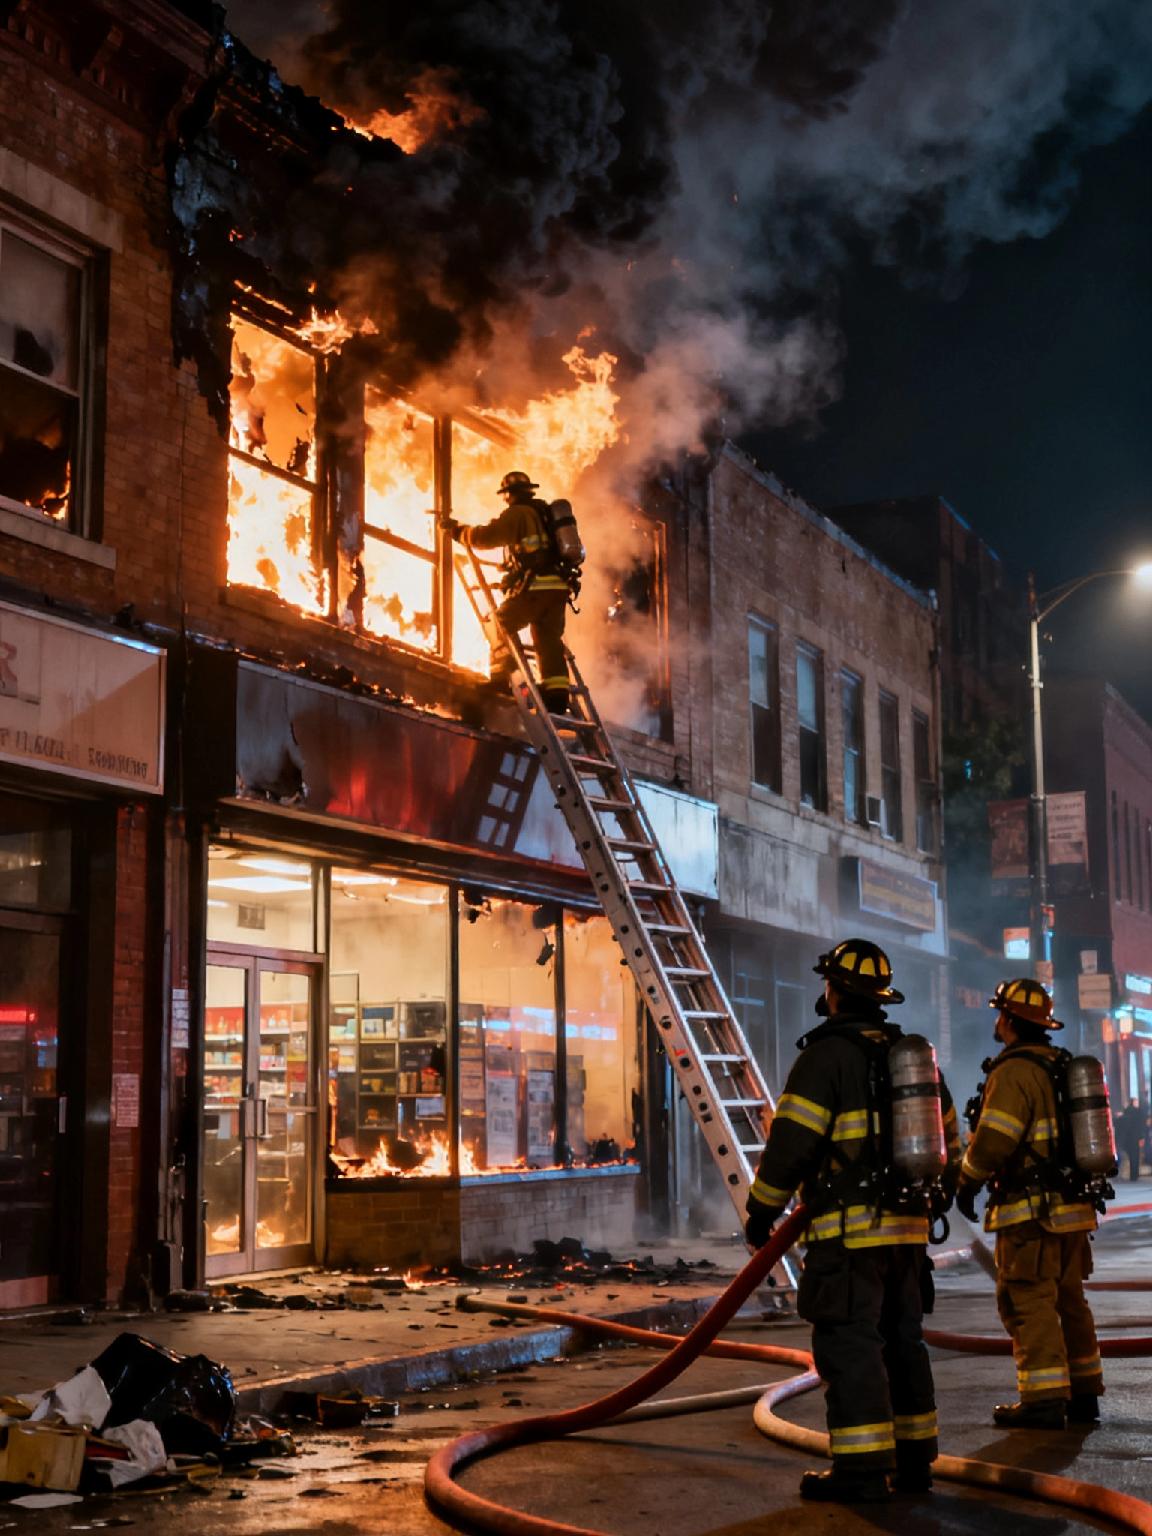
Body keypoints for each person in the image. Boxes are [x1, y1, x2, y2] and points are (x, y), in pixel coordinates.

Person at [745, 939, 961, 1504]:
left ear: (834, 990)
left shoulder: (824, 1057)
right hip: (908, 1233)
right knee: (902, 1341)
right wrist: (936, 1201)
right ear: (881, 998)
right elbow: (950, 1140)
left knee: (851, 1346)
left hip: (849, 1234)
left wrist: (761, 1211)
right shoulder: (910, 1056)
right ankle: (915, 1463)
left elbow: (790, 1145)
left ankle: (861, 1474)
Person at [955, 978, 1104, 1429]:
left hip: (1031, 1214)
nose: (996, 1021)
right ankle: (1084, 1394)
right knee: (1069, 1299)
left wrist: (966, 1181)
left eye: (1000, 1013)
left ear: (1010, 1020)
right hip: (1075, 1209)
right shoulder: (1060, 1065)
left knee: (1028, 1300)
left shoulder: (1014, 1071)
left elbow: (994, 1140)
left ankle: (1042, 1401)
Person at [443, 470, 574, 714]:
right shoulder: (544, 513)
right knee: (548, 640)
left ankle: (505, 678)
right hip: (558, 588)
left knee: (498, 624)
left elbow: (486, 537)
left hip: (536, 586)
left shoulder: (518, 514)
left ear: (508, 495)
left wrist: (457, 531)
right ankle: (557, 696)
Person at [1115, 1098, 1143, 1182]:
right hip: (1135, 1138)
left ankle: (1131, 1175)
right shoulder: (1138, 1112)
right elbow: (1140, 1126)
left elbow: (1120, 1126)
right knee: (1135, 1157)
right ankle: (1135, 1175)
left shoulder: (1125, 1113)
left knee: (1130, 1157)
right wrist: (1141, 1137)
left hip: (1127, 1138)